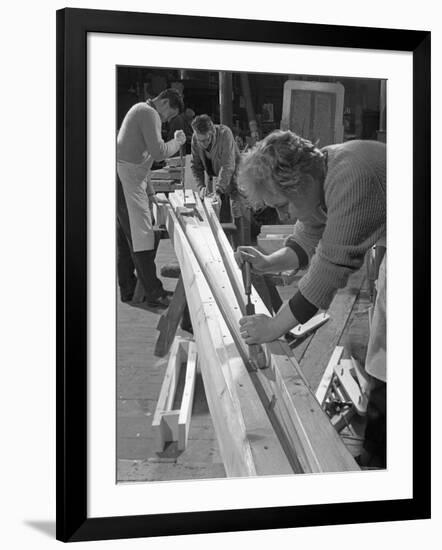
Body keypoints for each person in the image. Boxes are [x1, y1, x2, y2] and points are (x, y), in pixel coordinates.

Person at [235, 131, 386, 464]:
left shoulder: (351, 176)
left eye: (283, 204)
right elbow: (311, 231)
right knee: (385, 353)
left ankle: (391, 464)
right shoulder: (325, 171)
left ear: (299, 181)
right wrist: (267, 263)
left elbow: (330, 266)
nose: (285, 214)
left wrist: (274, 326)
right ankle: (380, 452)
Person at [117, 88, 187, 307]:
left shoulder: (141, 110)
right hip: (126, 179)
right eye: (170, 115)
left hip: (128, 178)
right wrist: (177, 142)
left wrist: (150, 192)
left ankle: (129, 289)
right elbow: (157, 153)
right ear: (164, 103)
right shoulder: (149, 113)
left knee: (127, 237)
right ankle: (153, 292)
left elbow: (143, 159)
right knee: (142, 236)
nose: (167, 120)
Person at [190, 114, 248, 234]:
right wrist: (201, 186)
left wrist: (218, 190)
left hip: (235, 174)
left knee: (238, 210)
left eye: (207, 140)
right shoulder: (195, 139)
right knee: (215, 208)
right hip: (215, 175)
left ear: (212, 132)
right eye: (201, 141)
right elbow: (196, 166)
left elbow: (228, 165)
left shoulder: (225, 133)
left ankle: (241, 247)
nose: (204, 144)